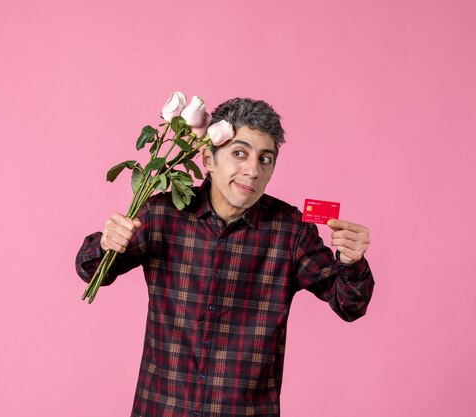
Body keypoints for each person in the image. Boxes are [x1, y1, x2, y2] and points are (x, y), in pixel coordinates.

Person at [76, 97, 374, 417]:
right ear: (208, 157)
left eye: (265, 159)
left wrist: (351, 261)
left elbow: (349, 304)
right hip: (162, 408)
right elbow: (91, 271)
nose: (252, 170)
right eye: (239, 153)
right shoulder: (161, 214)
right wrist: (107, 243)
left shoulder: (290, 231)